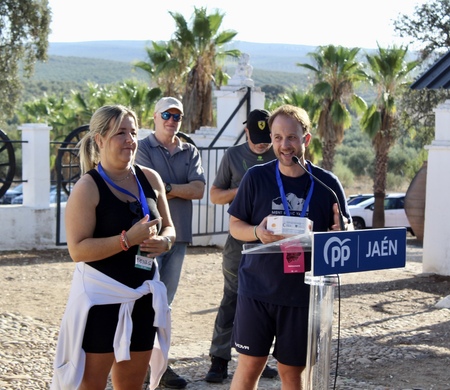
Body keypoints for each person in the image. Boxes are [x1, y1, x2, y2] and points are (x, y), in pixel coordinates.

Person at [51, 105, 176, 390]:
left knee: (132, 385)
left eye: (133, 132)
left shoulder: (150, 178)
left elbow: (170, 228)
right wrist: (126, 240)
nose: (130, 140)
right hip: (100, 302)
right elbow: (78, 250)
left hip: (144, 297)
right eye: (121, 133)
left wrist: (164, 241)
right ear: (100, 140)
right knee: (91, 385)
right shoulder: (88, 187)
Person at [227, 104, 351, 390]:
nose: (284, 145)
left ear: (305, 139)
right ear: (271, 139)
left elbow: (343, 233)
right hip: (257, 289)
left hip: (302, 295)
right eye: (278, 137)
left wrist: (339, 232)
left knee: (292, 373)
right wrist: (257, 232)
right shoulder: (256, 177)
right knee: (249, 367)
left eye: (292, 137)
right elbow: (236, 226)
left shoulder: (327, 184)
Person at [135, 97, 206, 389]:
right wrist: (176, 188)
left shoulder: (190, 150)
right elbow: (146, 185)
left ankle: (160, 366)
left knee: (166, 303)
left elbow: (199, 189)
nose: (171, 120)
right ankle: (136, 364)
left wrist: (166, 187)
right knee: (142, 299)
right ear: (154, 117)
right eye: (166, 114)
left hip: (179, 238)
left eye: (176, 116)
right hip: (149, 239)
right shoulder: (142, 148)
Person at [205, 109, 278, 383]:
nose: (263, 144)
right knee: (232, 299)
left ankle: (258, 357)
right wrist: (245, 188)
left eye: (267, 138)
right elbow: (214, 195)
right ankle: (219, 360)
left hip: (272, 242)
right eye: (257, 137)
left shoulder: (279, 153)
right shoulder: (233, 156)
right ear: (247, 131)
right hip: (239, 240)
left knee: (266, 302)